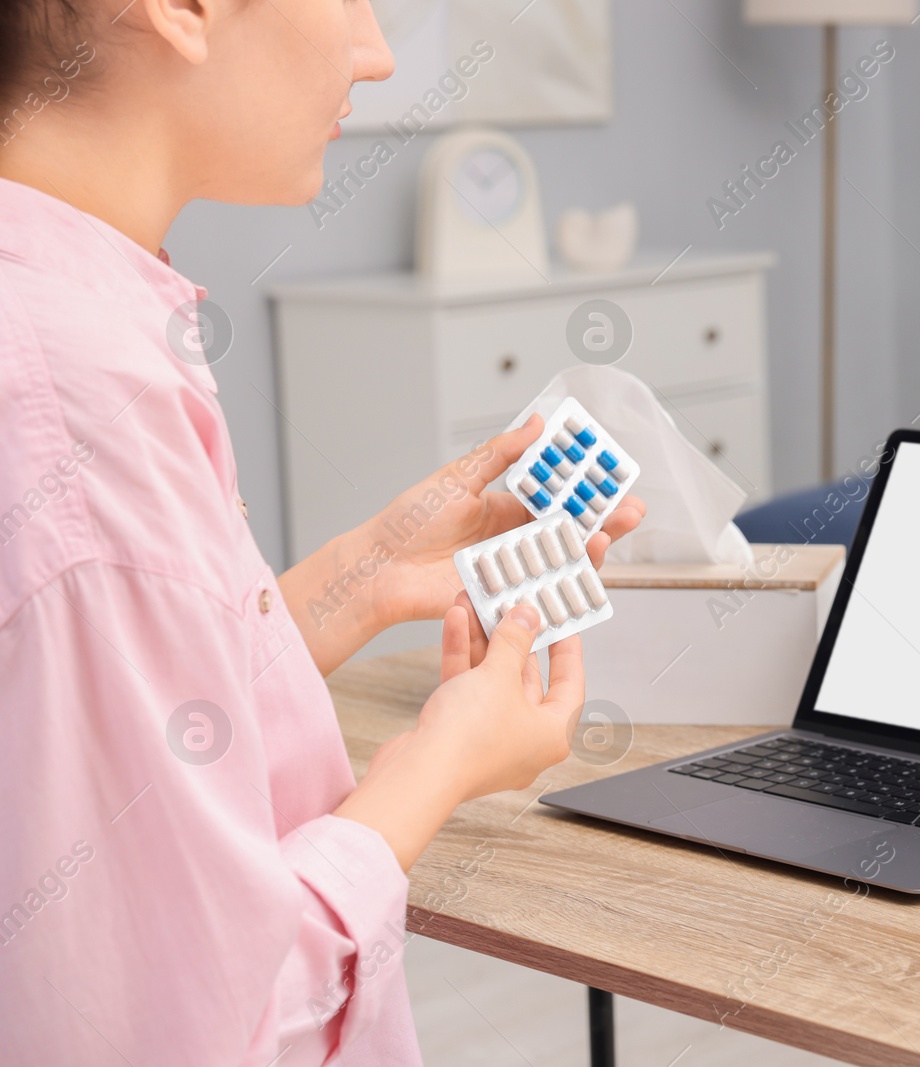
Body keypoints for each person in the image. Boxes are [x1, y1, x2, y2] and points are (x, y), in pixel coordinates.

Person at [0, 0, 644, 1062]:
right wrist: (438, 762)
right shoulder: (73, 398)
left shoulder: (75, 325)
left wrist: (374, 570)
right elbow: (190, 1028)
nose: (380, 54)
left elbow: (130, 732)